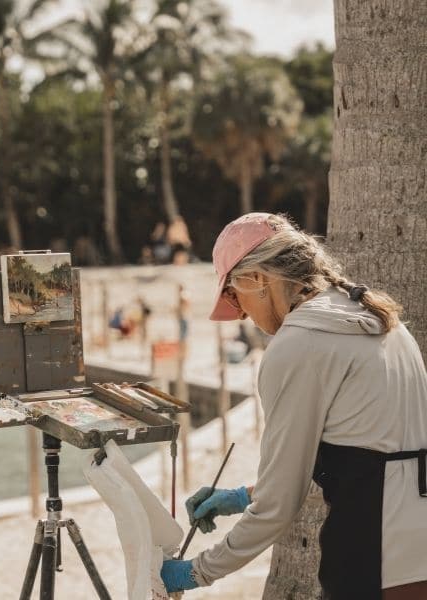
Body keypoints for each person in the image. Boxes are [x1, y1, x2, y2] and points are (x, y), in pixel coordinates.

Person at [161, 213, 427, 599]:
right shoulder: (378, 317)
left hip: (373, 553)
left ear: (259, 279)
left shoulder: (299, 344)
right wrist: (242, 496)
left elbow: (278, 508)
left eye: (233, 293)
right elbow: (377, 454)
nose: (238, 312)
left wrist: (195, 572)